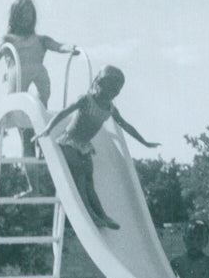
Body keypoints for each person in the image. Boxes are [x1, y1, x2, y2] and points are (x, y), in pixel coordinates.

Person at [34, 66, 159, 229]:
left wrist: (144, 142)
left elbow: (126, 126)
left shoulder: (111, 108)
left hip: (84, 145)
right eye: (111, 88)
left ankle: (102, 214)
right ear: (99, 84)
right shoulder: (86, 100)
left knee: (89, 180)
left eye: (116, 90)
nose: (113, 93)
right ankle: (91, 214)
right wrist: (48, 129)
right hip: (69, 141)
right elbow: (64, 113)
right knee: (79, 176)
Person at [0, 0, 79, 186]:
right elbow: (0, 49)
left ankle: (43, 158)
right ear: (15, 17)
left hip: (38, 96)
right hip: (19, 96)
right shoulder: (9, 39)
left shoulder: (40, 40)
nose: (27, 18)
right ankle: (34, 186)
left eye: (30, 15)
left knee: (39, 132)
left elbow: (58, 46)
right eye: (23, 14)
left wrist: (70, 48)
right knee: (27, 140)